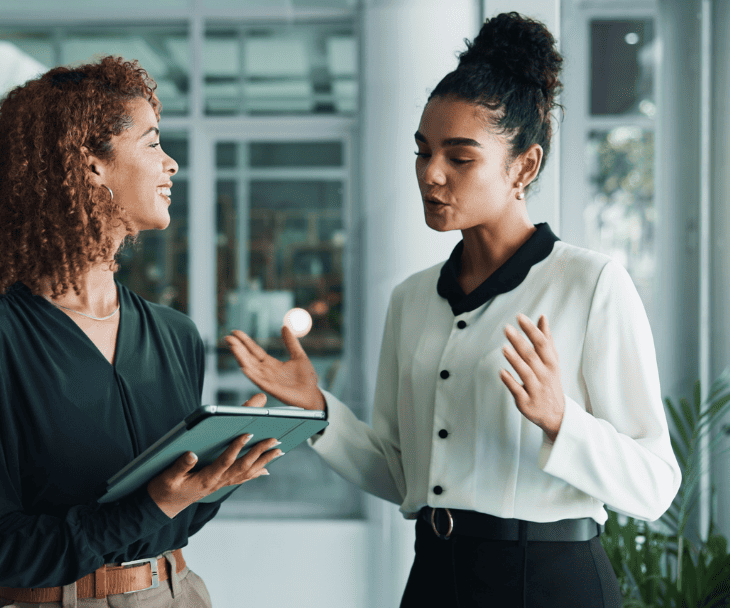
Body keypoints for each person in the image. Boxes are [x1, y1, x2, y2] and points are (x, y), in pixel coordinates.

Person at [226, 12, 680, 608]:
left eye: (459, 157)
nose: (430, 174)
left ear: (525, 167)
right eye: (423, 152)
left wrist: (559, 419)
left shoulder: (591, 285)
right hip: (436, 575)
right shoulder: (412, 299)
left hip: (548, 582)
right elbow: (400, 473)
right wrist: (317, 409)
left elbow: (654, 487)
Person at [0, 56, 282, 608]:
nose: (171, 165)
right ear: (92, 165)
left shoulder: (175, 335)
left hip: (177, 592)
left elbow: (175, 519)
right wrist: (150, 505)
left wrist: (219, 476)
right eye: (151, 143)